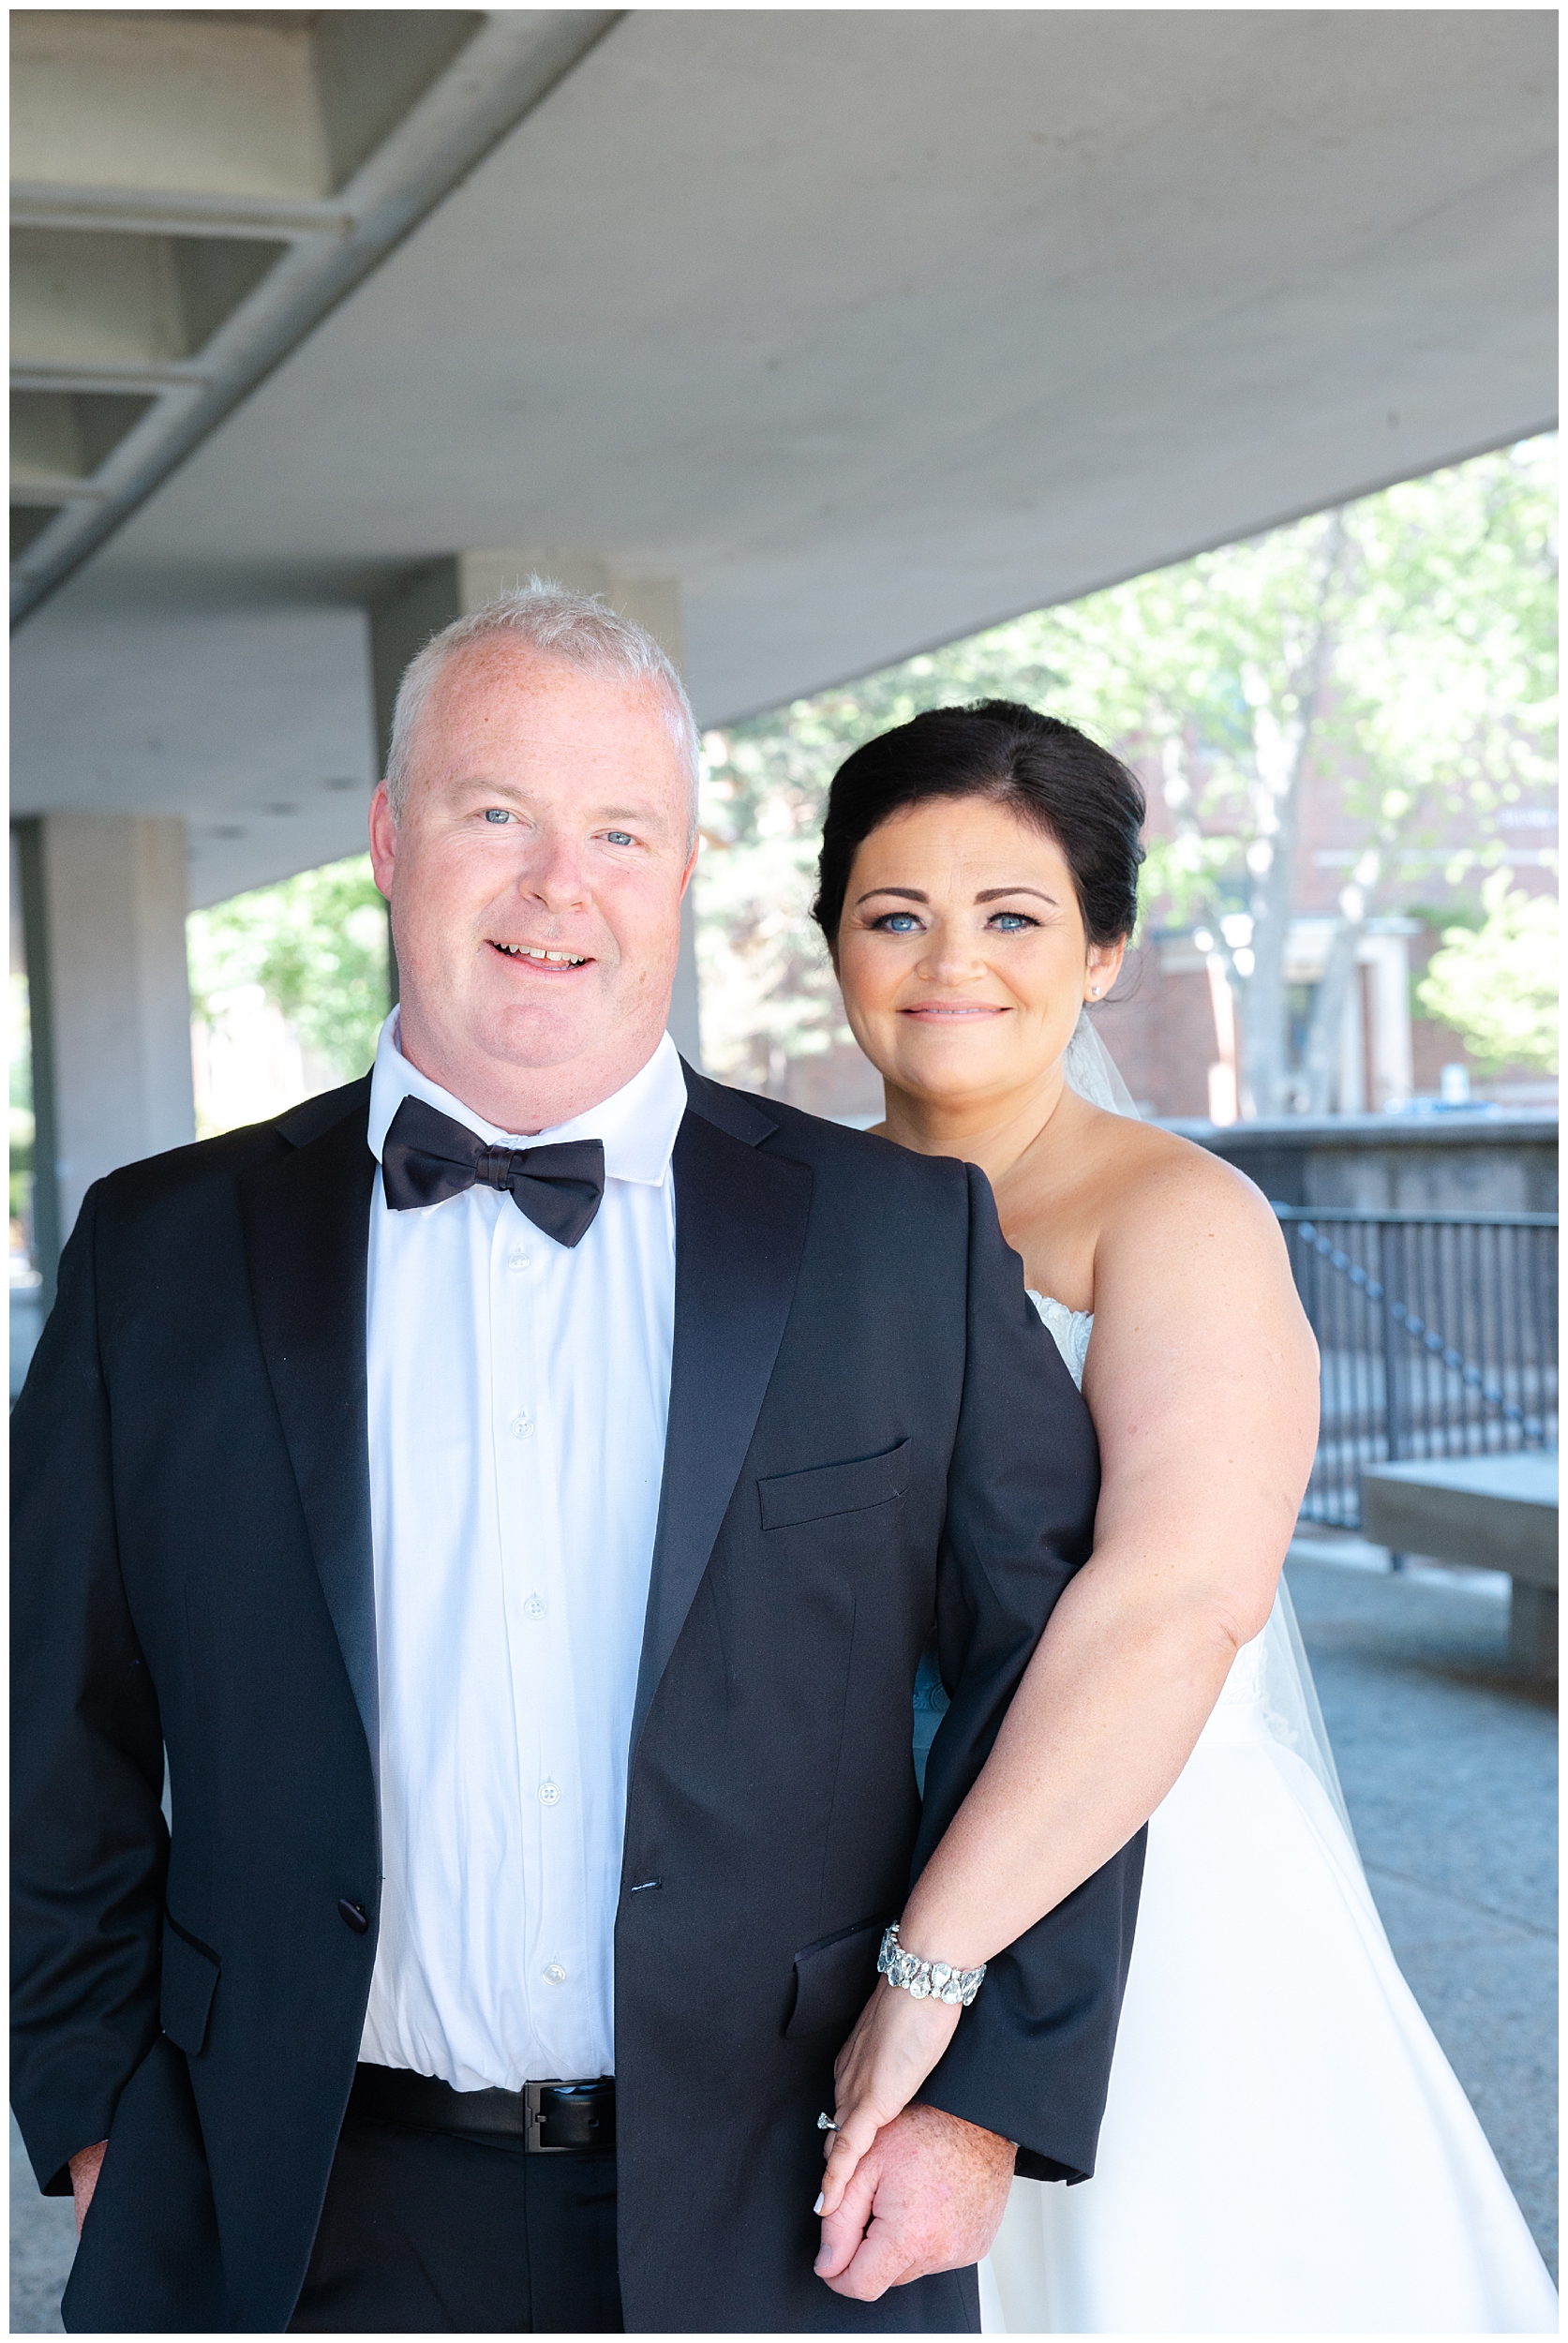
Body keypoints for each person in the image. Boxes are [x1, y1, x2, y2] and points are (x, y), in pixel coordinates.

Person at [10, 594, 1146, 2336]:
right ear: (390, 841)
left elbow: (1055, 1678)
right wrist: (96, 2114)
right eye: (495, 817)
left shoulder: (898, 1243)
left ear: (681, 869)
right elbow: (53, 1719)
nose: (560, 887)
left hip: (795, 2201)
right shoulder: (157, 1250)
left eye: (619, 832)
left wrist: (990, 2096)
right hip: (287, 2215)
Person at [809, 699, 1559, 2334]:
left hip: (1144, 1880)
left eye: (1013, 917)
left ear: (1102, 954)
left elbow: (1173, 1605)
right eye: (895, 915)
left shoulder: (1177, 1217)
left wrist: (929, 1973)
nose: (952, 961)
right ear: (834, 940)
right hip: (847, 1864)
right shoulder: (793, 1215)